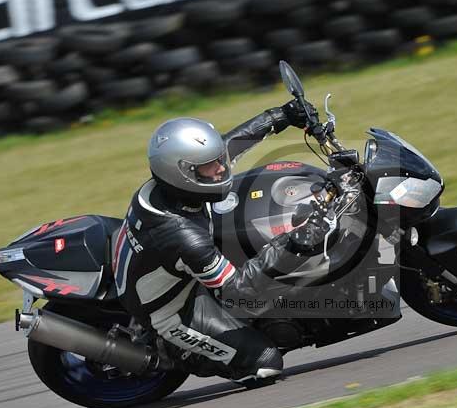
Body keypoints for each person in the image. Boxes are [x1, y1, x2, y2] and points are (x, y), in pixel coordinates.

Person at [112, 101, 328, 384]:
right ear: (182, 172)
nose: (220, 168)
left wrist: (281, 116)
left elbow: (231, 144)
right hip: (175, 311)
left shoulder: (173, 188)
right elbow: (238, 291)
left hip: (173, 271)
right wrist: (295, 242)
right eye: (209, 165)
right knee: (266, 363)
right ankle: (174, 350)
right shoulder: (183, 236)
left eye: (217, 160)